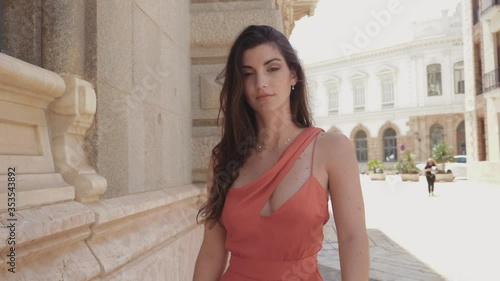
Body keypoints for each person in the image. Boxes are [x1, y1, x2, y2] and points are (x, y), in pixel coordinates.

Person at [193, 25, 369, 281]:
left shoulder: (331, 148)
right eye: (248, 74)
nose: (261, 83)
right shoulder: (224, 160)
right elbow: (211, 252)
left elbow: (353, 238)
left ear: (293, 75)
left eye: (272, 68)